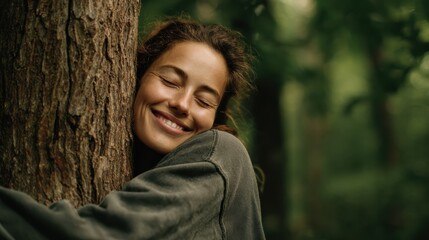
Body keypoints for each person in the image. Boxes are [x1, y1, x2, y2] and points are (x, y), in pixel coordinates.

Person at [0, 16, 266, 239]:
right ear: (136, 76)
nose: (183, 105)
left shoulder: (219, 156)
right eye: (170, 81)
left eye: (203, 101)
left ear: (214, 118)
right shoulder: (145, 173)